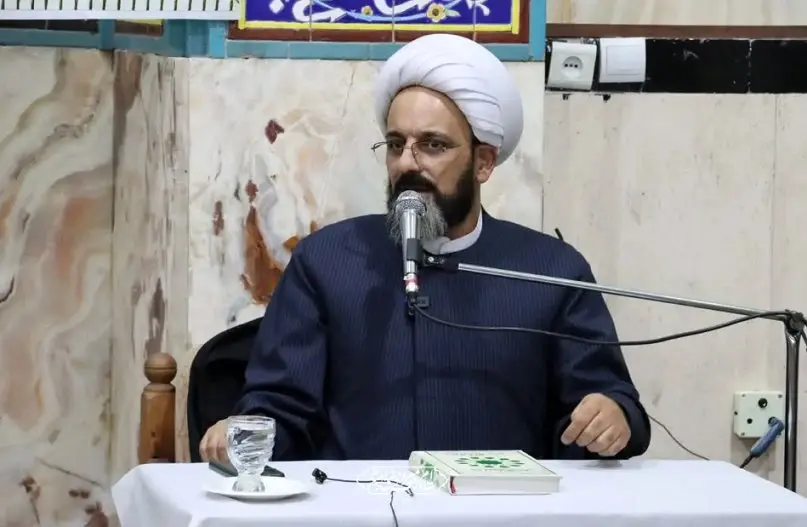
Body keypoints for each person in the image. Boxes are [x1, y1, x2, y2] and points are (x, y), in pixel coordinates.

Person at [200, 33, 651, 463]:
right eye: (396, 144)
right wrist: (246, 431)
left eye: (433, 145)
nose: (407, 163)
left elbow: (608, 403)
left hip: (502, 506)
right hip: (357, 504)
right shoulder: (327, 261)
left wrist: (613, 417)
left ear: (483, 162)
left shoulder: (550, 270)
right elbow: (279, 405)